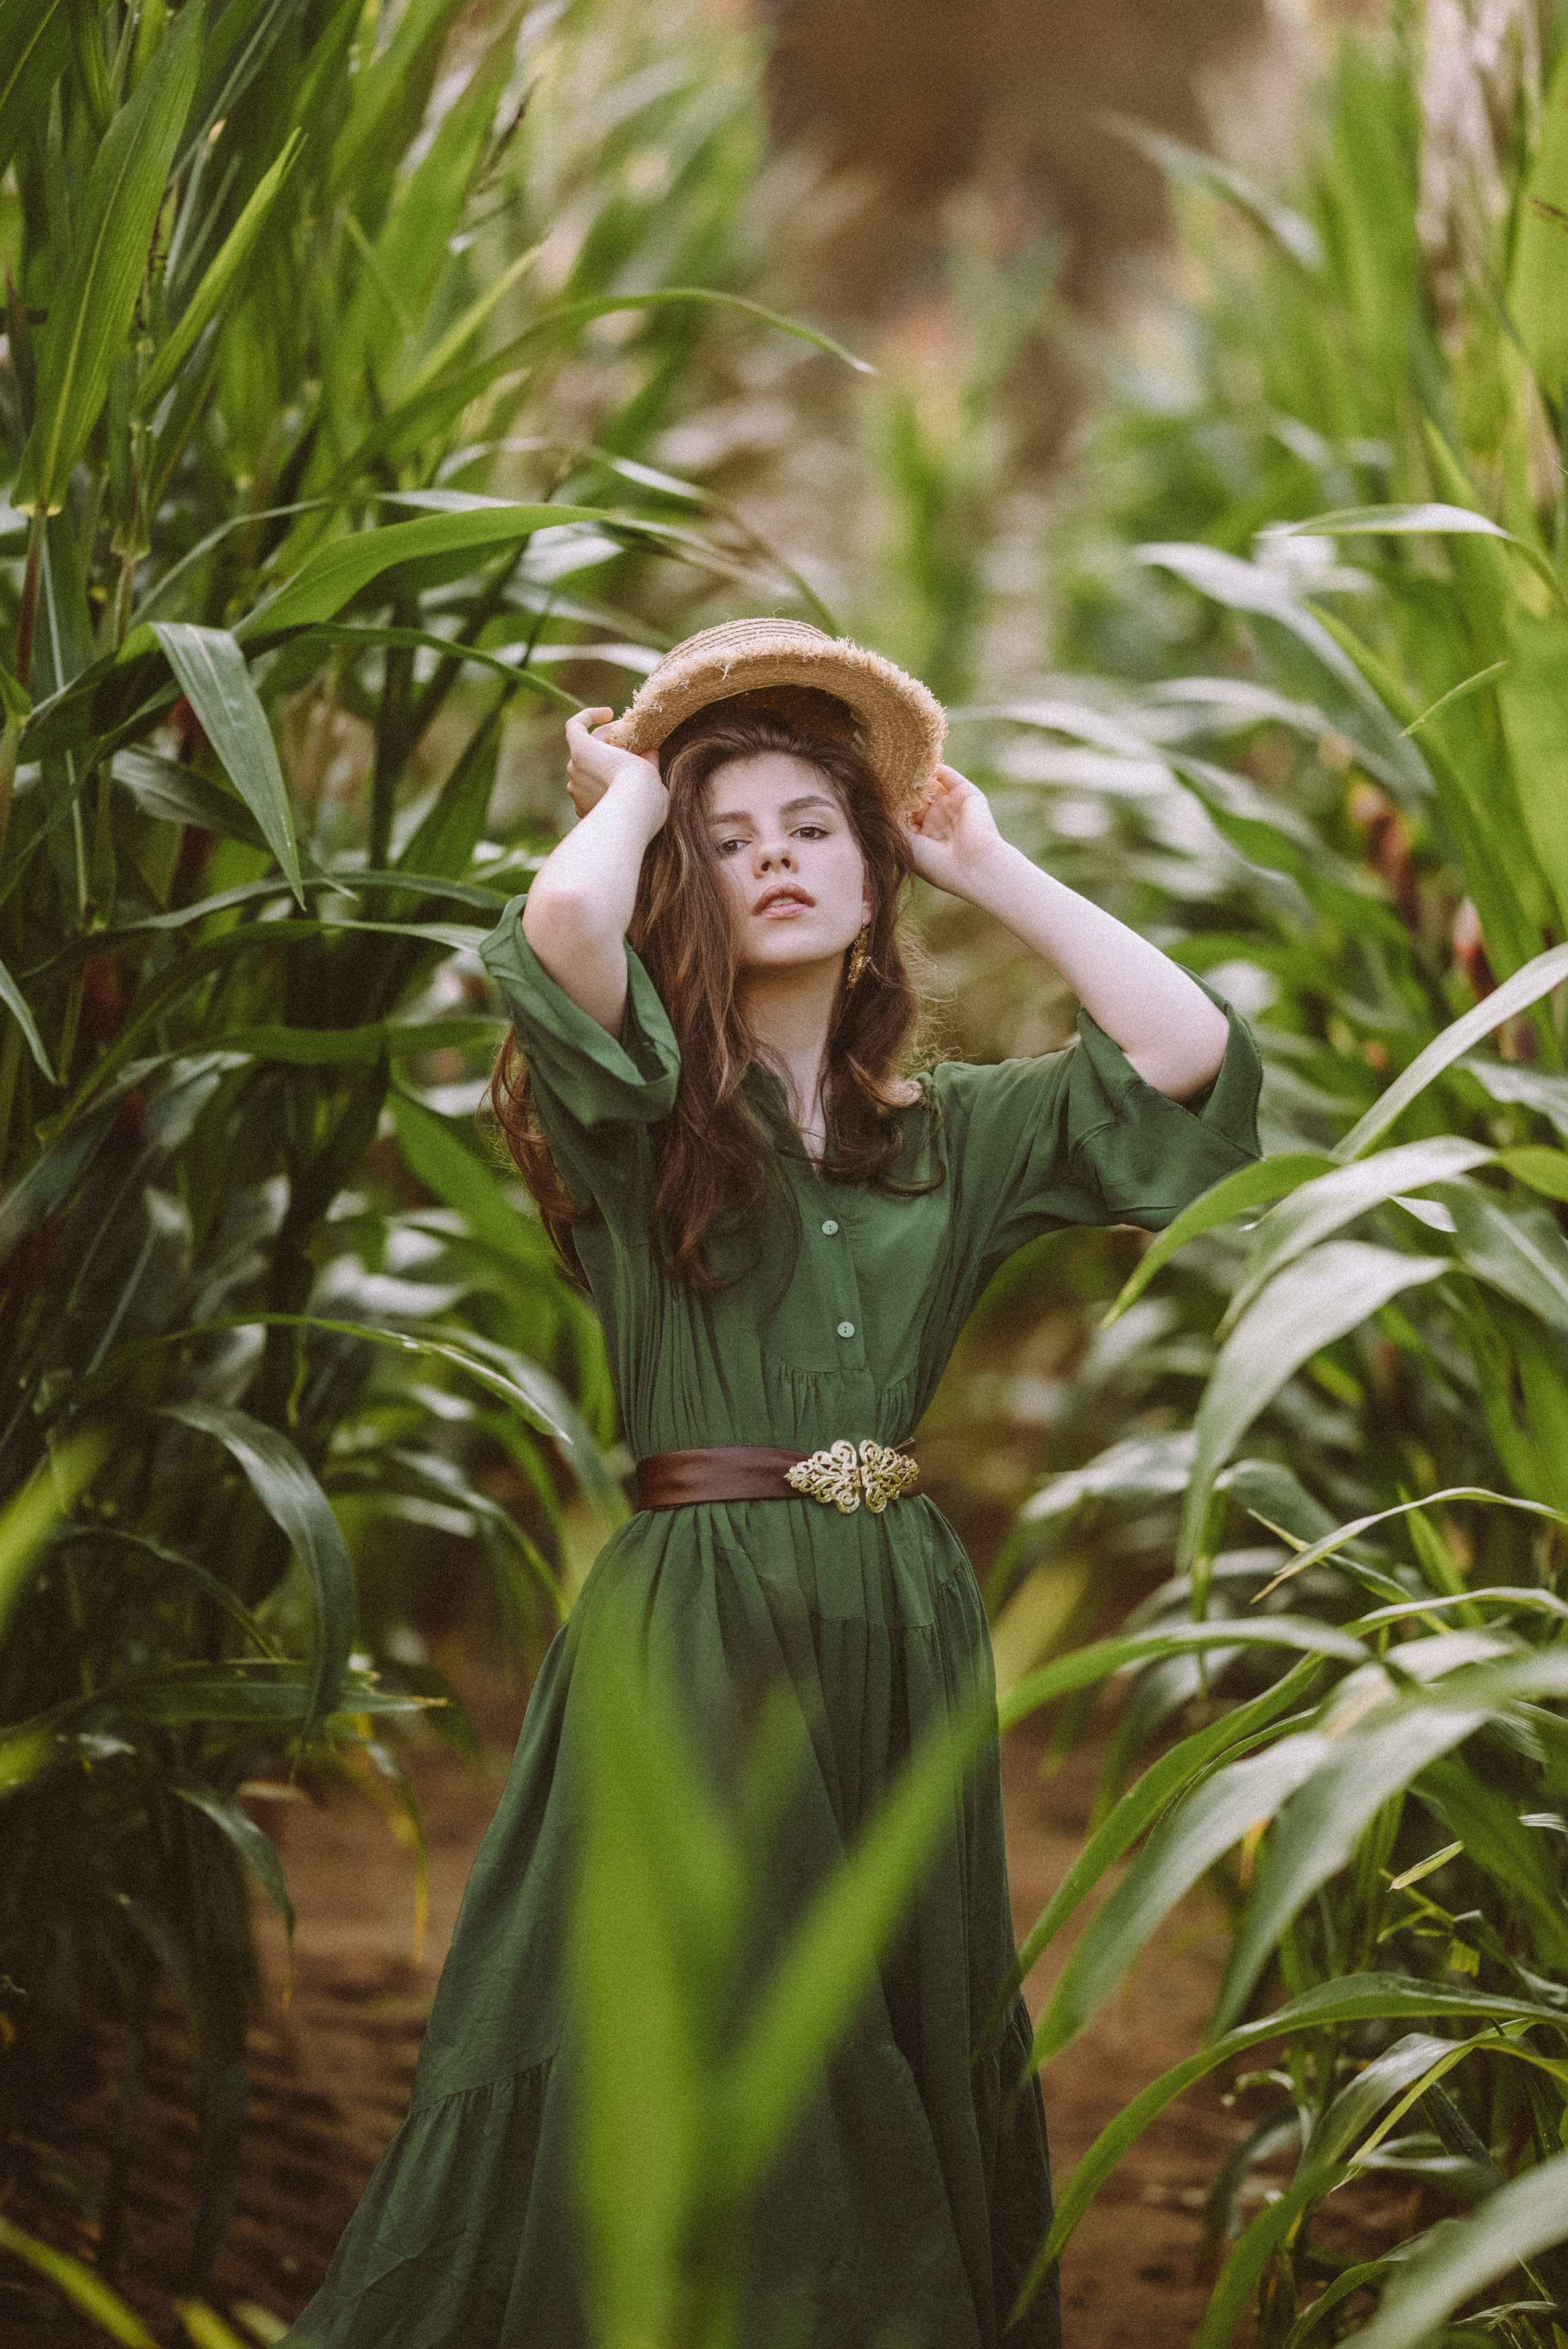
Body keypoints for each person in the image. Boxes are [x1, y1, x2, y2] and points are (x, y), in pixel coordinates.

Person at [281, 620, 1261, 2349]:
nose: (775, 865)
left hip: (900, 1620)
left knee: (889, 2019)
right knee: (711, 2022)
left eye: (814, 826)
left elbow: (1185, 1056)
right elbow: (568, 923)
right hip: (699, 1617)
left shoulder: (950, 1132)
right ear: (685, 875)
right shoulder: (644, 1099)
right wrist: (648, 783)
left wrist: (987, 857)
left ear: (871, 875)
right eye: (729, 845)